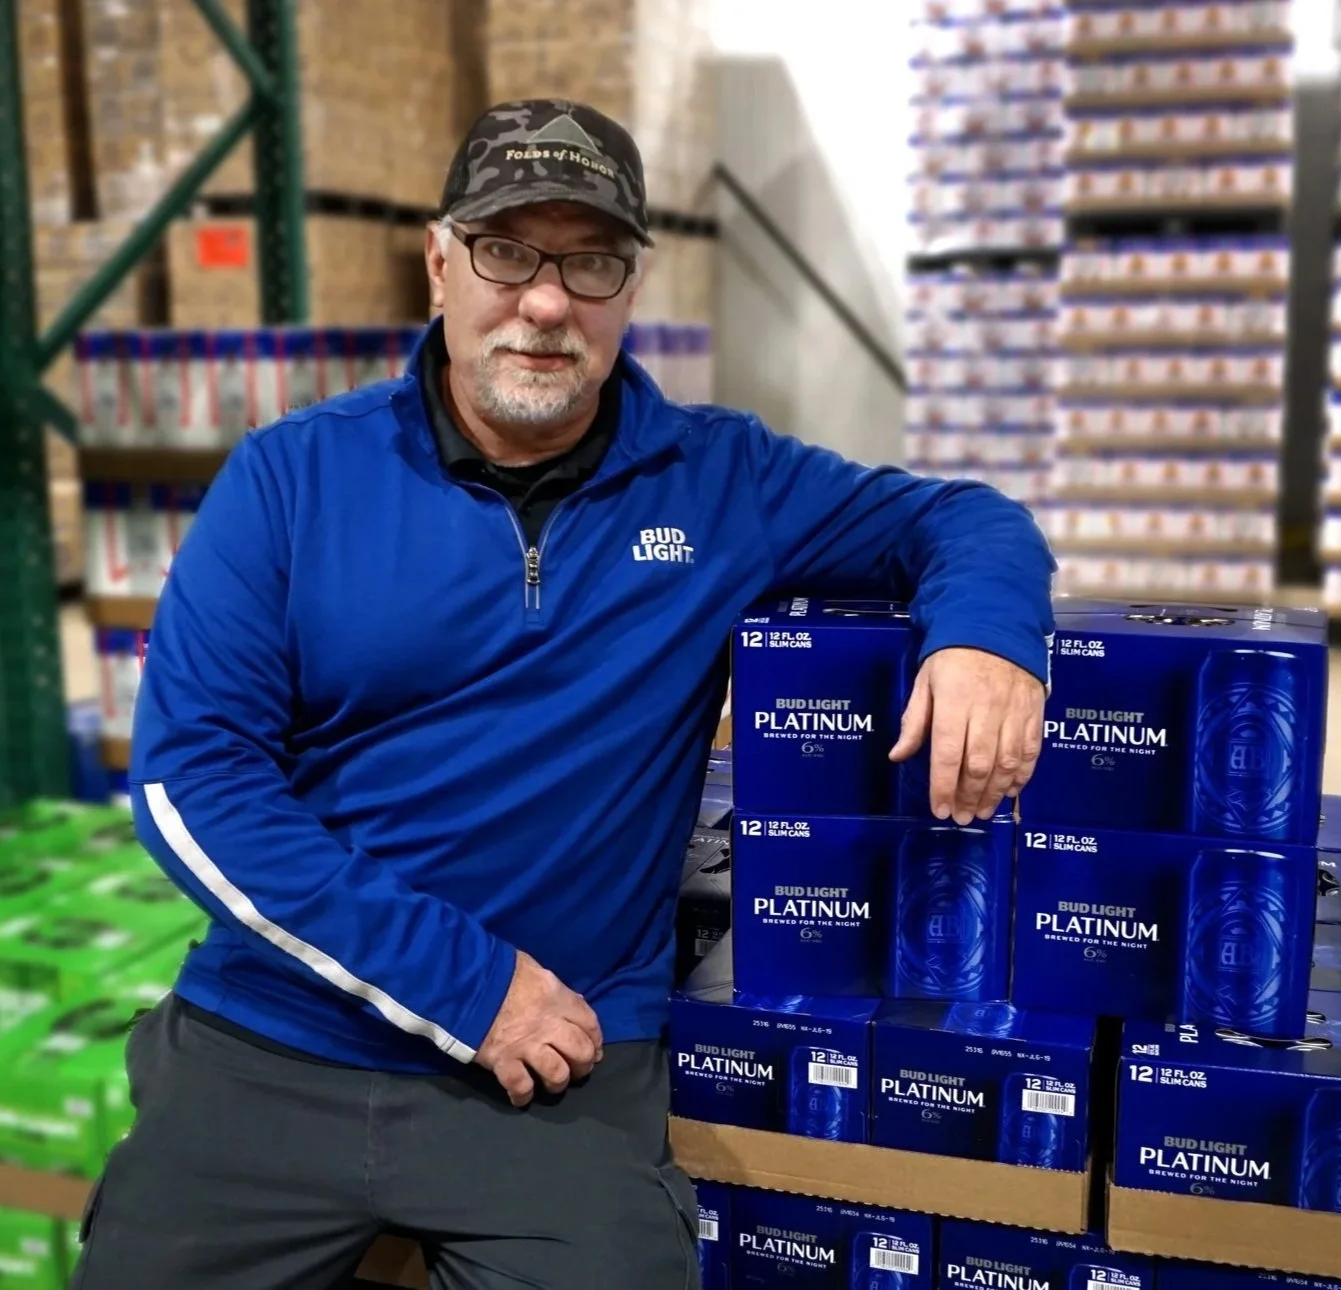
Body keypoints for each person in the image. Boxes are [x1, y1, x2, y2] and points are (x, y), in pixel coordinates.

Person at [73, 99, 1055, 1290]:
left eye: (589, 262)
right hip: (281, 1038)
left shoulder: (721, 482)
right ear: (439, 265)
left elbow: (965, 517)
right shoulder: (292, 478)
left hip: (561, 1067)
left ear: (631, 287)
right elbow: (193, 785)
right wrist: (471, 985)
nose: (546, 303)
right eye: (506, 252)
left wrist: (988, 639)